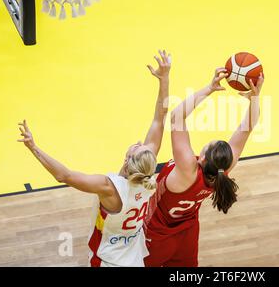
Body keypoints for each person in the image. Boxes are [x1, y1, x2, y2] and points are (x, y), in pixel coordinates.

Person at [17, 50, 172, 267]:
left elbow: (64, 176)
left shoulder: (109, 187)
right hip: (135, 260)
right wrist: (164, 79)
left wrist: (33, 147)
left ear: (127, 160)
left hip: (109, 261)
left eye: (137, 147)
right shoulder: (146, 176)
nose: (139, 142)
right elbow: (160, 119)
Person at [143, 68, 264, 267]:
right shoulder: (223, 170)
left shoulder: (187, 168)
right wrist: (255, 98)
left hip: (156, 232)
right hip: (187, 231)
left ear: (204, 159)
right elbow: (247, 127)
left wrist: (209, 88)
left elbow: (176, 117)